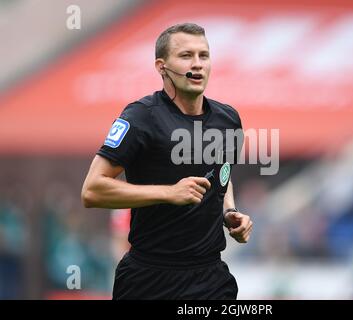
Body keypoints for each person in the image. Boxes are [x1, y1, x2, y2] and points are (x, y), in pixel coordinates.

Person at [81, 23, 253, 300]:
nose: (197, 64)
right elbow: (92, 190)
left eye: (203, 56)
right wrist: (169, 192)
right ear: (162, 66)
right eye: (186, 56)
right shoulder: (141, 117)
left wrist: (229, 213)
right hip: (150, 278)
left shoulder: (227, 119)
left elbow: (221, 173)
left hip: (211, 277)